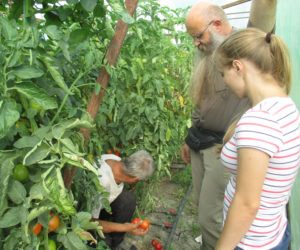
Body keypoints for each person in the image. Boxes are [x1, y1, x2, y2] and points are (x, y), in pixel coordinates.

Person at [181, 1, 277, 249]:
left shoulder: (244, 44)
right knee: (201, 206)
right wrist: (190, 135)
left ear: (217, 24)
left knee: (210, 217)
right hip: (199, 140)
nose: (195, 42)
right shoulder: (203, 51)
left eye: (197, 35)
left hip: (222, 146)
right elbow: (201, 98)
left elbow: (264, 11)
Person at [213, 28, 300, 250]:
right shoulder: (285, 105)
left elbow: (247, 204)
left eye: (223, 74)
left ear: (237, 66)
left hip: (251, 242)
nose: (225, 82)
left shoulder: (261, 120)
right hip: (274, 230)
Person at [91, 150, 155, 250]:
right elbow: (89, 222)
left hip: (101, 205)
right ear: (136, 179)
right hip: (84, 214)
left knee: (128, 200)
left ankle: (116, 242)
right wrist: (124, 227)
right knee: (104, 244)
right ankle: (109, 243)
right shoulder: (102, 181)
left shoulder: (115, 160)